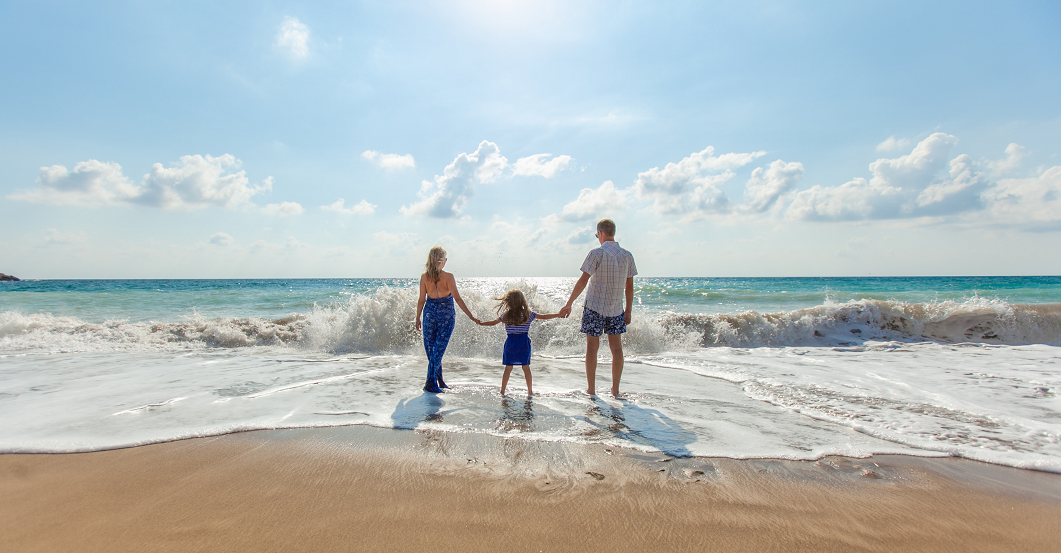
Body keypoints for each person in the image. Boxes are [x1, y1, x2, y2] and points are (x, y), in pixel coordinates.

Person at [558, 219, 637, 397]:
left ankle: (591, 390)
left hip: (594, 307)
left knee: (592, 348)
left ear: (600, 233)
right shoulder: (627, 255)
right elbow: (629, 287)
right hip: (617, 309)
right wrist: (629, 310)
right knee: (616, 349)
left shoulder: (596, 254)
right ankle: (615, 390)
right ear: (613, 233)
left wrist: (569, 303)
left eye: (597, 235)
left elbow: (583, 281)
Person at [415, 247, 480, 393]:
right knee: (437, 350)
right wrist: (470, 316)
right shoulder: (448, 277)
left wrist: (418, 318)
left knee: (433, 350)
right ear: (442, 261)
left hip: (429, 314)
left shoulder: (425, 277)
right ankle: (431, 383)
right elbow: (457, 298)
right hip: (446, 314)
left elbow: (421, 300)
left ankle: (438, 381)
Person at [477, 289, 562, 396]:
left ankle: (502, 391)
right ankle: (530, 391)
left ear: (508, 302)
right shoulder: (528, 314)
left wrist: (481, 323)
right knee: (526, 368)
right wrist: (558, 315)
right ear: (522, 301)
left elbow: (493, 323)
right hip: (523, 343)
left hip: (511, 343)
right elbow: (544, 317)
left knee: (508, 368)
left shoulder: (506, 315)